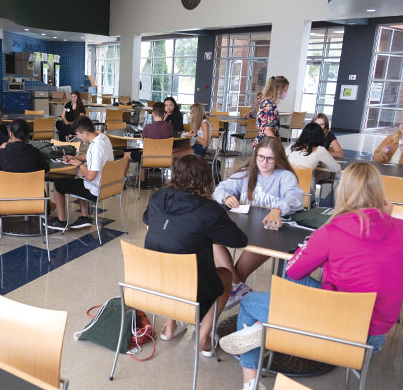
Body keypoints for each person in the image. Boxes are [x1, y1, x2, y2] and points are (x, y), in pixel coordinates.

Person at [219, 162, 403, 390]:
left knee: (251, 299)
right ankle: (268, 323)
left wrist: (313, 247)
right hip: (372, 338)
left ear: (342, 192)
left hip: (333, 325)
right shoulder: (400, 229)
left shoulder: (332, 230)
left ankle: (251, 380)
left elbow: (295, 269)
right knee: (295, 280)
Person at [143, 154, 248, 355]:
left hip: (152, 281)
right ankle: (203, 338)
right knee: (225, 275)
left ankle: (170, 327)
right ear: (206, 179)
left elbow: (148, 220)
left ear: (175, 175)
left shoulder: (158, 197)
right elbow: (238, 241)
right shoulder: (209, 210)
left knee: (170, 256)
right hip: (191, 287)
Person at [212, 137, 304, 309]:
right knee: (212, 239)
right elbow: (219, 188)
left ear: (278, 159)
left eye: (270, 158)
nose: (264, 162)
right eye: (260, 157)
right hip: (243, 228)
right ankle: (238, 290)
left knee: (238, 273)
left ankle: (235, 291)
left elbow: (295, 197)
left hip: (269, 233)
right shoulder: (247, 172)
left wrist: (278, 209)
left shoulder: (285, 176)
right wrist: (225, 196)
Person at [47, 116, 113, 230]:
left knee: (58, 184)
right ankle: (84, 217)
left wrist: (79, 164)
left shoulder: (96, 148)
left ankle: (61, 221)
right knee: (77, 181)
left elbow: (90, 177)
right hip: (108, 185)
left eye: (78, 134)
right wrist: (75, 157)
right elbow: (89, 157)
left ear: (85, 132)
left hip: (96, 189)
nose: (77, 137)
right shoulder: (103, 138)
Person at [123, 101, 173, 180]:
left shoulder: (148, 127)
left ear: (153, 113)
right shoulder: (169, 126)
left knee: (127, 155)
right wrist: (165, 119)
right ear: (164, 113)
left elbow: (143, 138)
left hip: (148, 158)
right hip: (165, 158)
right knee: (144, 152)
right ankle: (143, 179)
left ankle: (122, 181)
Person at [253, 76, 289, 148]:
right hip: (267, 143)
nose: (286, 93)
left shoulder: (266, 102)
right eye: (285, 90)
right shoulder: (269, 105)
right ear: (279, 90)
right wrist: (278, 145)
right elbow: (267, 129)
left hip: (266, 141)